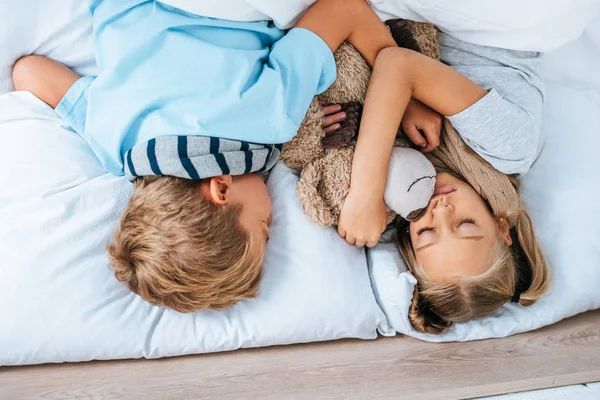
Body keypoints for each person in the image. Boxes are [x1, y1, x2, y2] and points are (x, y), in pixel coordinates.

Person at [11, 0, 400, 312]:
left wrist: (409, 95)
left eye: (264, 225)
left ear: (221, 188)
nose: (274, 216)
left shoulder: (269, 117)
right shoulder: (115, 143)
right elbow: (28, 71)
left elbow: (345, 8)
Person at [326, 24, 550, 333]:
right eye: (466, 224)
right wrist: (365, 191)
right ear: (502, 227)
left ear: (409, 238)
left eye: (427, 233)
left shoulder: (404, 179)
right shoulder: (509, 148)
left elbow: (352, 18)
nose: (442, 210)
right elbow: (397, 65)